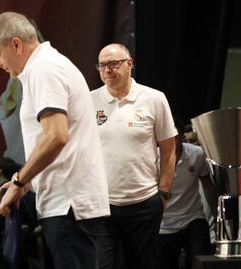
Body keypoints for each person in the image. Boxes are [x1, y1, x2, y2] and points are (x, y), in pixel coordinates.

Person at [0, 11, 110, 269]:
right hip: (69, 202)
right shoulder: (47, 65)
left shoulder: (43, 69)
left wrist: (19, 181)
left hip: (68, 205)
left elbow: (56, 136)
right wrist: (30, 181)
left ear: (16, 44)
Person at [91, 43, 177, 269]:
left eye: (113, 64)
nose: (107, 70)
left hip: (144, 203)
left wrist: (164, 193)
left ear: (130, 64)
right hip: (102, 205)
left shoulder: (154, 98)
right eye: (102, 65)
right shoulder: (88, 101)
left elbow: (169, 150)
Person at [154, 118, 217, 269]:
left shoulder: (197, 154)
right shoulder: (152, 157)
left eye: (176, 137)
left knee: (201, 261)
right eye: (168, 138)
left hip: (193, 217)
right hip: (164, 224)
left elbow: (207, 183)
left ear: (182, 137)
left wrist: (216, 213)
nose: (172, 142)